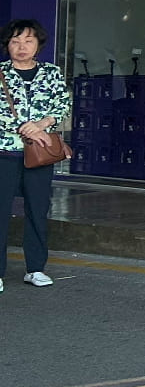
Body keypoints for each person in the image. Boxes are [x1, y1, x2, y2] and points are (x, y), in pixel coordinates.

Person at [0, 19, 72, 292]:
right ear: (7, 45)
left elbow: (63, 104)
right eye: (15, 41)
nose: (22, 47)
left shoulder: (51, 73)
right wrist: (26, 128)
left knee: (38, 210)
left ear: (38, 45)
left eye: (28, 41)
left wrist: (42, 124)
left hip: (40, 154)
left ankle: (35, 268)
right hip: (5, 151)